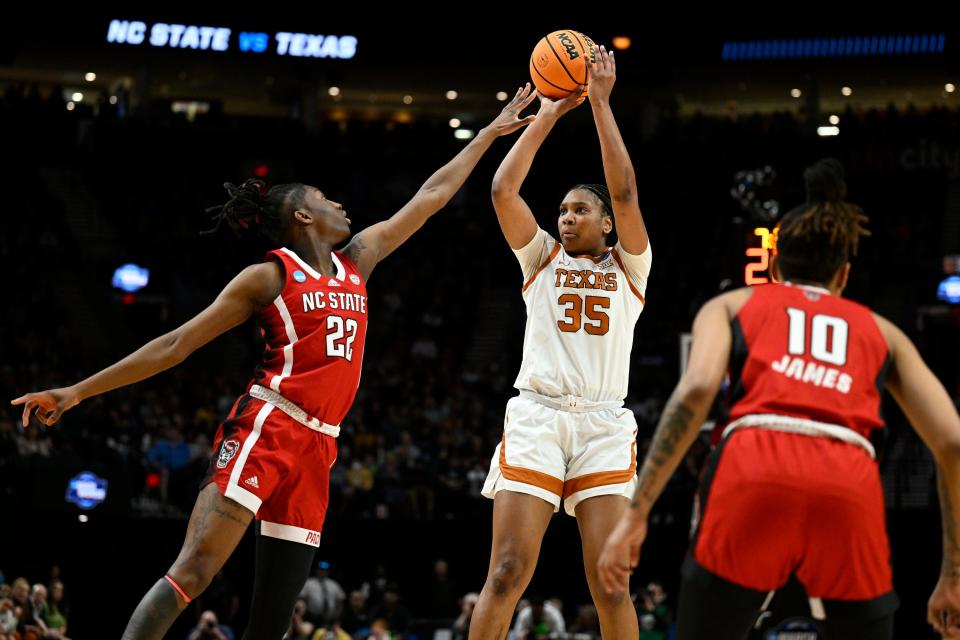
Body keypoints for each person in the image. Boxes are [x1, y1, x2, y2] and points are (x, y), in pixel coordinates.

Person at [11, 87, 538, 640]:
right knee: (192, 572)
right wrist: (77, 391)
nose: (341, 205)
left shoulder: (357, 260)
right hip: (269, 426)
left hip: (320, 446)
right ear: (304, 215)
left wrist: (489, 132)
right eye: (327, 198)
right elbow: (175, 344)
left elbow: (431, 195)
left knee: (272, 619)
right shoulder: (269, 276)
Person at [598, 159, 960, 639]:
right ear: (844, 275)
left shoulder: (733, 305)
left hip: (753, 465)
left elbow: (698, 390)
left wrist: (637, 513)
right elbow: (953, 441)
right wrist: (953, 573)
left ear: (773, 265)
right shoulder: (884, 331)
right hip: (846, 477)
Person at [472, 45, 651, 640]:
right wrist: (549, 112)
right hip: (539, 416)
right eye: (563, 210)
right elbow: (502, 190)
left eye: (580, 209)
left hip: (603, 424)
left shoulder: (631, 266)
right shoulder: (541, 257)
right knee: (505, 573)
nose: (567, 217)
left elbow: (624, 192)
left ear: (606, 223)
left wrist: (600, 103)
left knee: (611, 582)